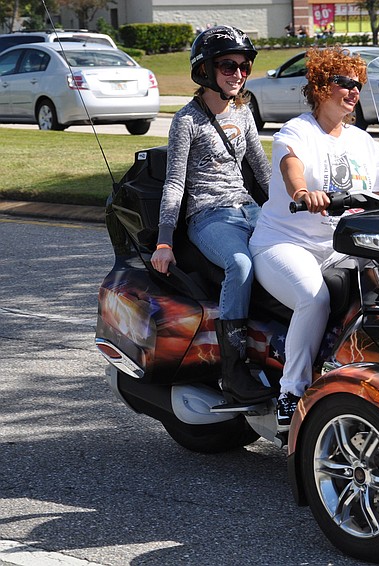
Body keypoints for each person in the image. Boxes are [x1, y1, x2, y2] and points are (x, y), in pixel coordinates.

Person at [249, 46, 379, 426]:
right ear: (319, 86)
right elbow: (290, 164)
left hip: (341, 245)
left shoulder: (362, 141)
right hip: (285, 242)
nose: (354, 91)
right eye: (344, 82)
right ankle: (291, 391)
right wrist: (302, 193)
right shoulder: (297, 131)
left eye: (358, 84)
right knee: (313, 299)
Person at [151, 25, 272, 405]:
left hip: (247, 208)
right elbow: (174, 184)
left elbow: (263, 171)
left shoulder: (244, 111)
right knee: (240, 264)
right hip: (209, 215)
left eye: (243, 66)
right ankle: (233, 372)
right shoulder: (186, 121)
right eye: (227, 66)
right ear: (205, 71)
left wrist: (293, 208)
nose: (237, 73)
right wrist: (165, 241)